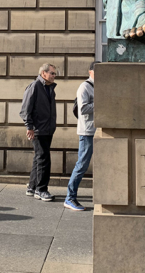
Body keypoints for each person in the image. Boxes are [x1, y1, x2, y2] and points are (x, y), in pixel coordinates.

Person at [20, 63, 58, 202]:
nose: (54, 75)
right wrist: (29, 127)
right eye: (52, 73)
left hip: (47, 129)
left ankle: (32, 186)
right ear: (43, 74)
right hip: (38, 129)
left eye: (55, 73)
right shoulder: (35, 86)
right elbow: (25, 109)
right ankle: (41, 190)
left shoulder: (49, 88)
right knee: (44, 159)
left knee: (39, 158)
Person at [64, 62, 97, 211]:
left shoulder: (99, 87)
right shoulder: (85, 86)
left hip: (97, 130)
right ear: (90, 72)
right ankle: (70, 198)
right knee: (82, 164)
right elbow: (83, 108)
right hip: (87, 132)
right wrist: (101, 103)